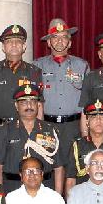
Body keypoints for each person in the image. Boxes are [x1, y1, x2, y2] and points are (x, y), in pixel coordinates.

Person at [0, 84, 64, 190]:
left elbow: (59, 168)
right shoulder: (5, 130)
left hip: (45, 189)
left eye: (33, 101)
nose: (29, 106)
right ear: (16, 106)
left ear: (38, 105)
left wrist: (58, 196)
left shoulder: (51, 130)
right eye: (24, 102)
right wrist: (0, 195)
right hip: (13, 188)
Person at [0, 24, 43, 147]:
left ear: (24, 46)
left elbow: (39, 106)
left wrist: (39, 136)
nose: (14, 45)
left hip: (25, 130)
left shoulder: (34, 72)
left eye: (18, 41)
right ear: (3, 47)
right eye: (9, 41)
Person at [36, 18, 88, 152]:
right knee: (49, 163)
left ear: (69, 43)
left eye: (64, 37)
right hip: (47, 126)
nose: (59, 41)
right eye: (55, 37)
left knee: (74, 163)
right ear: (49, 42)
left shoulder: (82, 66)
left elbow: (87, 101)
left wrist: (85, 132)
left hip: (74, 127)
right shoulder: (37, 66)